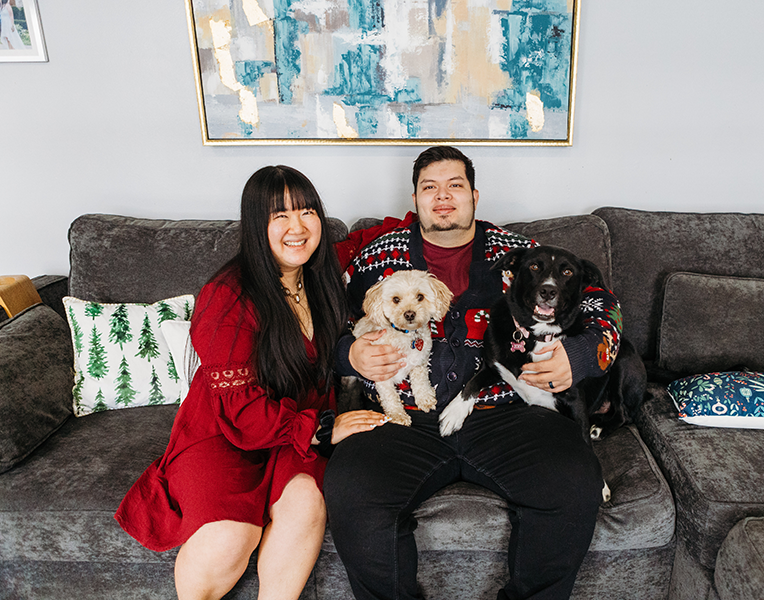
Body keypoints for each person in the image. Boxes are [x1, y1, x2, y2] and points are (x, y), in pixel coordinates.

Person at [324, 146, 623, 600]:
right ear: (415, 198)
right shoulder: (375, 257)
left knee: (573, 485)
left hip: (508, 412)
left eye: (455, 186)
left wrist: (580, 356)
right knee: (351, 492)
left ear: (475, 195)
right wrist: (349, 355)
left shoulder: (521, 254)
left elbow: (605, 304)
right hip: (401, 418)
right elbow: (317, 323)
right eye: (430, 188)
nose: (442, 197)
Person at [115, 166, 387, 600]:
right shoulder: (227, 295)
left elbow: (382, 233)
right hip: (228, 428)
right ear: (255, 225)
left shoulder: (321, 271)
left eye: (307, 211)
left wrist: (431, 212)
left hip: (293, 431)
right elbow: (241, 410)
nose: (297, 227)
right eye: (280, 215)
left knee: (305, 503)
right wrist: (321, 428)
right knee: (230, 537)